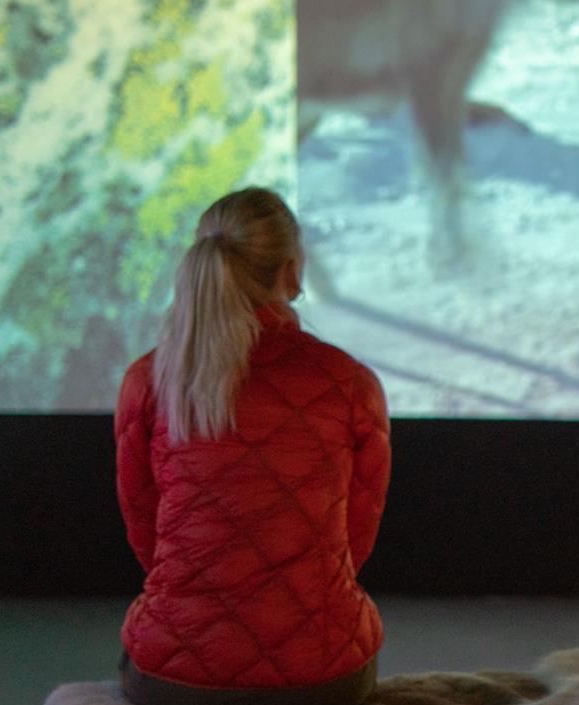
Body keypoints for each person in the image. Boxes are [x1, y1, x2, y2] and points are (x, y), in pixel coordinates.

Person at [113, 187, 390, 705]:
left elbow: (143, 526)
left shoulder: (148, 381)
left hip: (171, 680)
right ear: (292, 270)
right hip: (325, 677)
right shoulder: (351, 383)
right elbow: (357, 538)